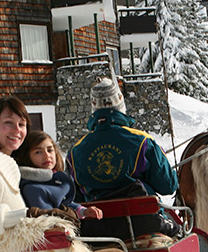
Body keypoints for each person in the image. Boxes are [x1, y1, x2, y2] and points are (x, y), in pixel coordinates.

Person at [67, 77, 180, 237]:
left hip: (97, 229)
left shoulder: (75, 152)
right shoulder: (142, 141)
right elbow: (168, 186)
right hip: (143, 224)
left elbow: (75, 197)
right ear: (120, 106)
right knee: (181, 232)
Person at [0, 97, 78, 241]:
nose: (17, 130)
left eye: (22, 124)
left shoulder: (6, 164)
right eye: (8, 122)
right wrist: (29, 215)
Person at [16, 130, 103, 221]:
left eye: (50, 150)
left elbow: (65, 202)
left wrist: (83, 211)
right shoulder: (33, 189)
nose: (47, 155)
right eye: (38, 152)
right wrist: (71, 214)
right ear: (27, 156)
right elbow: (48, 219)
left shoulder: (55, 179)